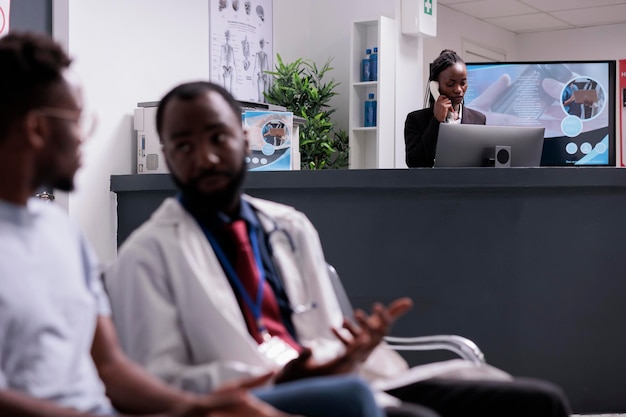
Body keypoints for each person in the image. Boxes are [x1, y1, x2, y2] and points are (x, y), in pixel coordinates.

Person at [105, 80, 571, 417]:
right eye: (183, 145)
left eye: (217, 138)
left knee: (537, 403)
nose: (203, 156)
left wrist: (352, 351)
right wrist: (284, 377)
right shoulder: (147, 254)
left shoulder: (288, 225)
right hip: (250, 398)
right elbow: (158, 381)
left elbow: (323, 331)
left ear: (244, 139)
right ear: (166, 156)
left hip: (338, 379)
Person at [0, 31, 385, 417]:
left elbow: (111, 368)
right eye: (78, 120)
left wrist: (201, 407)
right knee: (351, 401)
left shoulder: (61, 232)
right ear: (37, 129)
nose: (85, 138)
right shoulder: (147, 251)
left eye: (219, 138)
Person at [404, 49, 486, 168]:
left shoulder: (479, 119)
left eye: (463, 83)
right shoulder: (416, 120)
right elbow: (414, 163)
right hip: (433, 185)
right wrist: (436, 121)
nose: (458, 89)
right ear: (435, 86)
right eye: (450, 84)